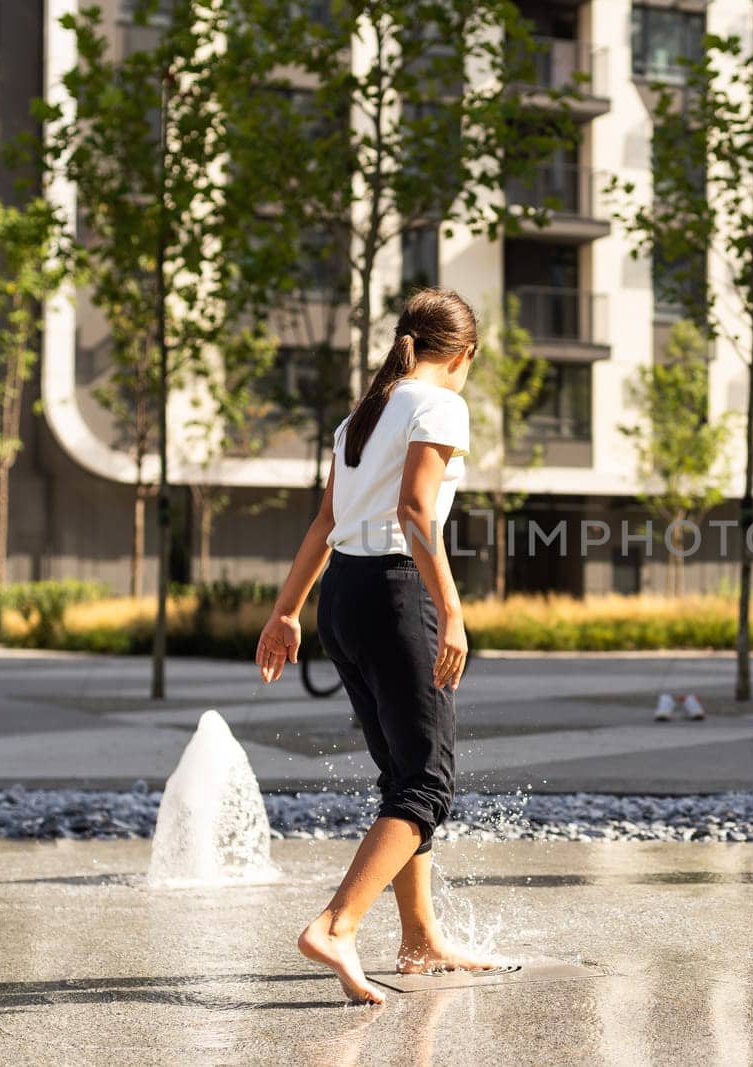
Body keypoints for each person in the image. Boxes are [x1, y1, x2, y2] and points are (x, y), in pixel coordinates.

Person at [255, 288, 490, 1004]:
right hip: (396, 595)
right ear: (465, 354)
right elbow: (415, 511)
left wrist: (285, 609)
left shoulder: (362, 415)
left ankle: (419, 937)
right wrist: (450, 610)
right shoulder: (439, 404)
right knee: (426, 783)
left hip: (345, 600)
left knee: (400, 777)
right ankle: (336, 923)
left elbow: (328, 517)